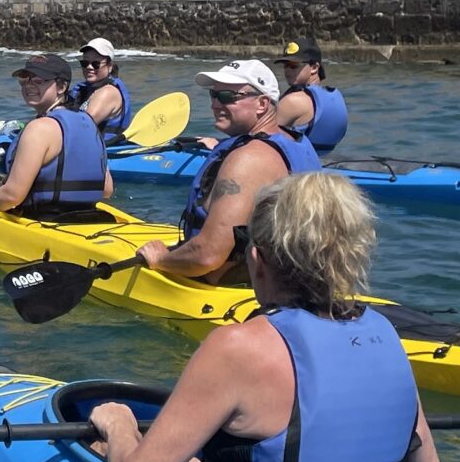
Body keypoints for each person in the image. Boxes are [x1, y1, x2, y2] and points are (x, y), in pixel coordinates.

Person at [91, 172, 446, 462]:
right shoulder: (383, 333)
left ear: (257, 260)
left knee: (103, 448)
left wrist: (119, 422)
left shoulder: (237, 346)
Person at [138, 60, 320, 285]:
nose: (215, 104)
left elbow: (207, 256)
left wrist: (161, 259)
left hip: (231, 285)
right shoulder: (296, 141)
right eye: (212, 95)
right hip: (295, 280)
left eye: (226, 97)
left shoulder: (249, 159)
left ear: (262, 103)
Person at [0, 54, 113, 215]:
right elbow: (107, 189)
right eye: (24, 80)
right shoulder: (90, 124)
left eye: (39, 81)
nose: (28, 86)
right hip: (88, 215)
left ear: (61, 87)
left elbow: (11, 196)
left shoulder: (39, 128)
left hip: (44, 218)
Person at [272, 39, 349, 154]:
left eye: (293, 65)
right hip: (322, 159)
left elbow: (262, 137)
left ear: (314, 67)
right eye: (285, 65)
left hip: (297, 166)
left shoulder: (293, 101)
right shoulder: (335, 96)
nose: (287, 70)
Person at [69, 38, 134, 141]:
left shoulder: (108, 92)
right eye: (85, 63)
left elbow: (82, 127)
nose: (89, 67)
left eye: (96, 64)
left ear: (110, 66)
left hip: (106, 152)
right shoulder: (85, 89)